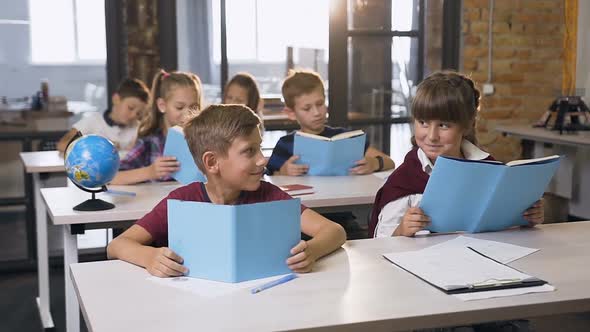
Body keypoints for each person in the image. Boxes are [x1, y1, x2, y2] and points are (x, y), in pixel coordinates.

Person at [106, 104, 346, 277]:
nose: (263, 160)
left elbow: (334, 231)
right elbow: (117, 245)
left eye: (259, 148)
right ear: (212, 163)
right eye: (249, 151)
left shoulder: (270, 195)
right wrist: (149, 258)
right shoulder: (181, 201)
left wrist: (312, 251)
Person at [370, 71, 544, 238]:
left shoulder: (489, 169)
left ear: (466, 126)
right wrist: (401, 230)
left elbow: (504, 225)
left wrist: (527, 218)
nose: (431, 136)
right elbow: (381, 240)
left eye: (443, 125)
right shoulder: (404, 179)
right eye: (423, 123)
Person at [266, 70, 394, 176]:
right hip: (308, 203)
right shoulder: (285, 144)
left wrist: (373, 164)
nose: (316, 112)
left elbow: (390, 162)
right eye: (307, 108)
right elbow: (270, 175)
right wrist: (283, 171)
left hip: (347, 198)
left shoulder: (346, 138)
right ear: (291, 113)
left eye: (320, 104)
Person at [109, 70, 203, 185]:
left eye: (194, 107)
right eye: (179, 107)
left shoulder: (204, 139)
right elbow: (113, 177)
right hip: (158, 201)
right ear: (162, 106)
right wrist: (150, 172)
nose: (188, 114)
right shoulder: (150, 141)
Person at [57, 78, 149, 157]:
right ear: (116, 99)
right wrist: (97, 146)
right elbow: (62, 145)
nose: (134, 115)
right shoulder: (93, 121)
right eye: (130, 108)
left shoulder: (138, 129)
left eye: (139, 113)